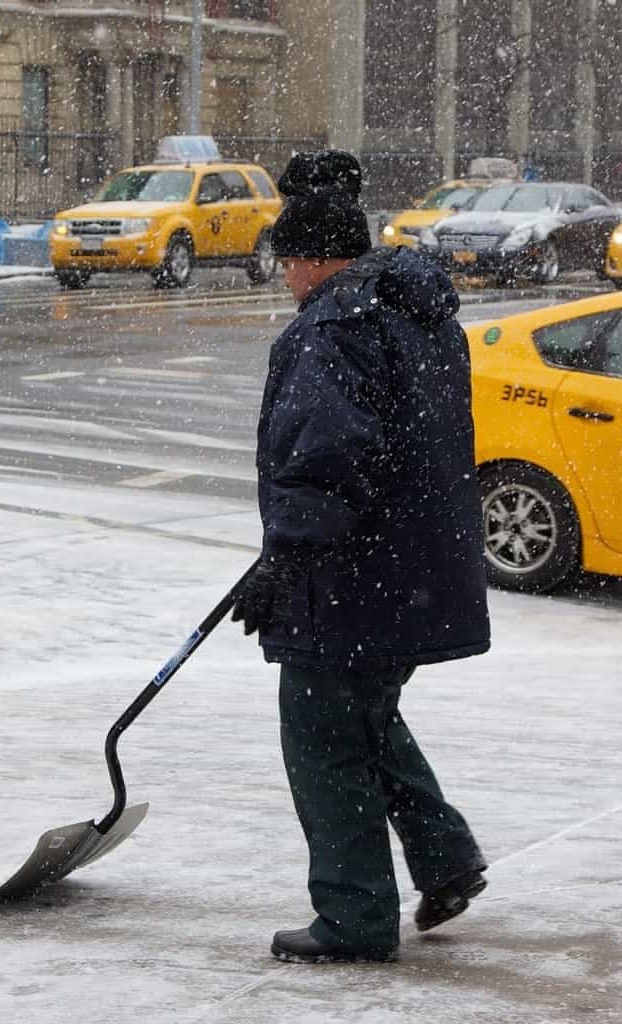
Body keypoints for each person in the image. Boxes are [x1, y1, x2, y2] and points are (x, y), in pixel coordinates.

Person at [231, 150, 491, 965]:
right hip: (415, 566)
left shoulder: (332, 329)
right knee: (364, 715)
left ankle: (352, 918)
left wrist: (286, 558)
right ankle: (444, 857)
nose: (285, 280)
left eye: (286, 263)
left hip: (352, 573)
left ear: (307, 260)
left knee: (322, 737)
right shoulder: (413, 313)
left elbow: (327, 453)